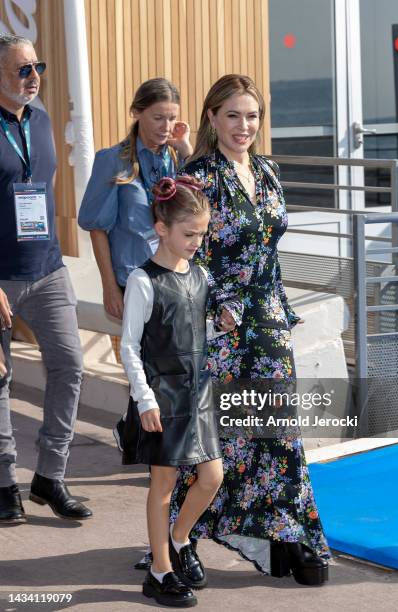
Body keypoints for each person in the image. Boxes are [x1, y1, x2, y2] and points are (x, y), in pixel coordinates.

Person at [169, 74, 330, 585]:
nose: (244, 125)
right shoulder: (199, 175)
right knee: (217, 437)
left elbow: (269, 251)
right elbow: (186, 253)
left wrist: (277, 310)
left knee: (279, 432)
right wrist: (217, 304)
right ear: (212, 117)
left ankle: (288, 533)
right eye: (233, 115)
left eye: (253, 116)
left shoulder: (268, 170)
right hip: (219, 327)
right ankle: (180, 536)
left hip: (268, 324)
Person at [120, 176, 241, 607]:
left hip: (198, 392)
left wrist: (217, 325)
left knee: (213, 476)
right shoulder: (142, 280)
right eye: (189, 234)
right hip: (163, 396)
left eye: (202, 234)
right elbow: (129, 345)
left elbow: (190, 329)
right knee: (164, 484)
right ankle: (159, 571)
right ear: (161, 229)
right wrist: (145, 399)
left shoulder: (201, 275)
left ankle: (179, 537)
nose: (196, 242)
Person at [0, 33, 91, 522]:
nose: (35, 77)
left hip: (48, 269)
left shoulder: (42, 120)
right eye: (23, 70)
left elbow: (44, 186)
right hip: (1, 277)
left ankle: (50, 476)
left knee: (70, 365)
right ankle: (2, 482)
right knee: (1, 379)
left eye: (39, 67)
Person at [78, 77, 192, 452]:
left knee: (170, 369)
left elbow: (193, 215)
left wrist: (187, 152)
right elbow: (96, 228)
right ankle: (154, 448)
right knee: (144, 369)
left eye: (171, 118)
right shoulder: (113, 161)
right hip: (131, 280)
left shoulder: (176, 157)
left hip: (174, 279)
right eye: (158, 117)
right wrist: (110, 288)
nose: (164, 126)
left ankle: (136, 434)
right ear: (137, 112)